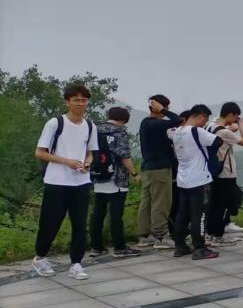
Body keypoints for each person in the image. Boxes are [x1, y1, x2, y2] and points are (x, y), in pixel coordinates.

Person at [32, 85, 99, 280]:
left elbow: (90, 152)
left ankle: (76, 263)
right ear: (67, 102)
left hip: (81, 182)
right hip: (57, 182)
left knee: (80, 225)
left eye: (84, 100)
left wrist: (88, 162)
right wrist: (66, 161)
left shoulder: (90, 125)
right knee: (50, 223)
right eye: (76, 100)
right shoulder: (55, 123)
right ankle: (40, 257)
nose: (80, 104)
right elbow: (40, 152)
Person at [167, 105, 223, 260]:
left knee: (182, 214)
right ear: (200, 116)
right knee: (200, 215)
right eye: (205, 119)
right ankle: (200, 248)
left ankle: (180, 246)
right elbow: (218, 141)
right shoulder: (197, 131)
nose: (205, 122)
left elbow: (173, 126)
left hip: (183, 179)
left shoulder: (175, 132)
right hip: (200, 179)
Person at [89, 107, 141, 258]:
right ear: (124, 120)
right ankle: (119, 247)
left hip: (99, 177)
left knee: (98, 213)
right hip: (117, 178)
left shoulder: (95, 130)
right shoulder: (119, 133)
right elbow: (124, 157)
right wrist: (134, 173)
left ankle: (96, 247)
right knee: (116, 215)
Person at [136, 94, 181, 250]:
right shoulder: (155, 124)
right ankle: (161, 237)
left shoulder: (145, 123)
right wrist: (163, 110)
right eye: (166, 107)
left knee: (147, 202)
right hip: (160, 169)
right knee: (161, 203)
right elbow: (178, 120)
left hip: (148, 168)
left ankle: (144, 236)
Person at [205, 102, 243, 248]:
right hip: (226, 172)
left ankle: (209, 234)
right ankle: (218, 235)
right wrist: (241, 127)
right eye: (236, 117)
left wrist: (231, 127)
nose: (236, 120)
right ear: (231, 114)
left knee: (213, 204)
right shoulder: (225, 132)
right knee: (224, 205)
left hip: (213, 171)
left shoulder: (210, 126)